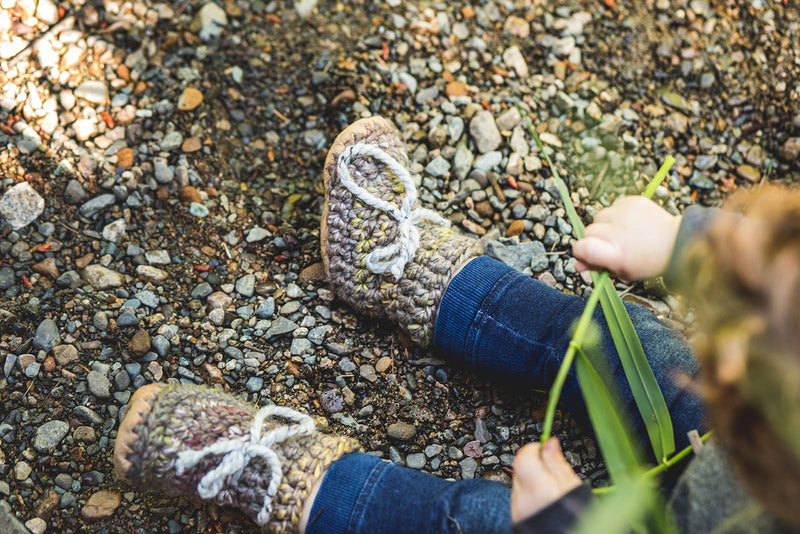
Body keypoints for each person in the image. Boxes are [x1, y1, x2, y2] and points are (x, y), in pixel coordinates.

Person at [113, 116, 799, 533]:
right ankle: (413, 274)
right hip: (742, 459)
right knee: (623, 339)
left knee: (481, 522)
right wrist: (691, 244)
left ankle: (301, 485)